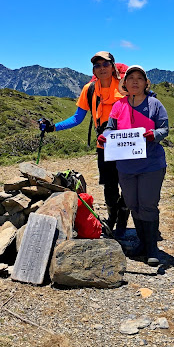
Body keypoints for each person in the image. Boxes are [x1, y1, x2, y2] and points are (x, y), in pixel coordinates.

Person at [43, 51, 130, 235]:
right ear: (93, 70)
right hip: (104, 145)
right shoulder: (89, 89)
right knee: (110, 185)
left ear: (113, 66)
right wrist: (53, 127)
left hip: (127, 142)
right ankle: (113, 218)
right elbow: (77, 118)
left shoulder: (124, 85)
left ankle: (122, 219)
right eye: (97, 65)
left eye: (105, 64)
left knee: (129, 183)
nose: (101, 68)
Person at [99, 65, 169, 266]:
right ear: (125, 83)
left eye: (140, 78)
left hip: (151, 164)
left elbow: (164, 129)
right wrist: (105, 137)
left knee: (147, 204)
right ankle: (142, 242)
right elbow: (110, 127)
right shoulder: (118, 106)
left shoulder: (155, 104)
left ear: (146, 83)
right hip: (126, 166)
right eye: (131, 78)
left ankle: (152, 247)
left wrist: (154, 135)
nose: (135, 81)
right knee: (132, 204)